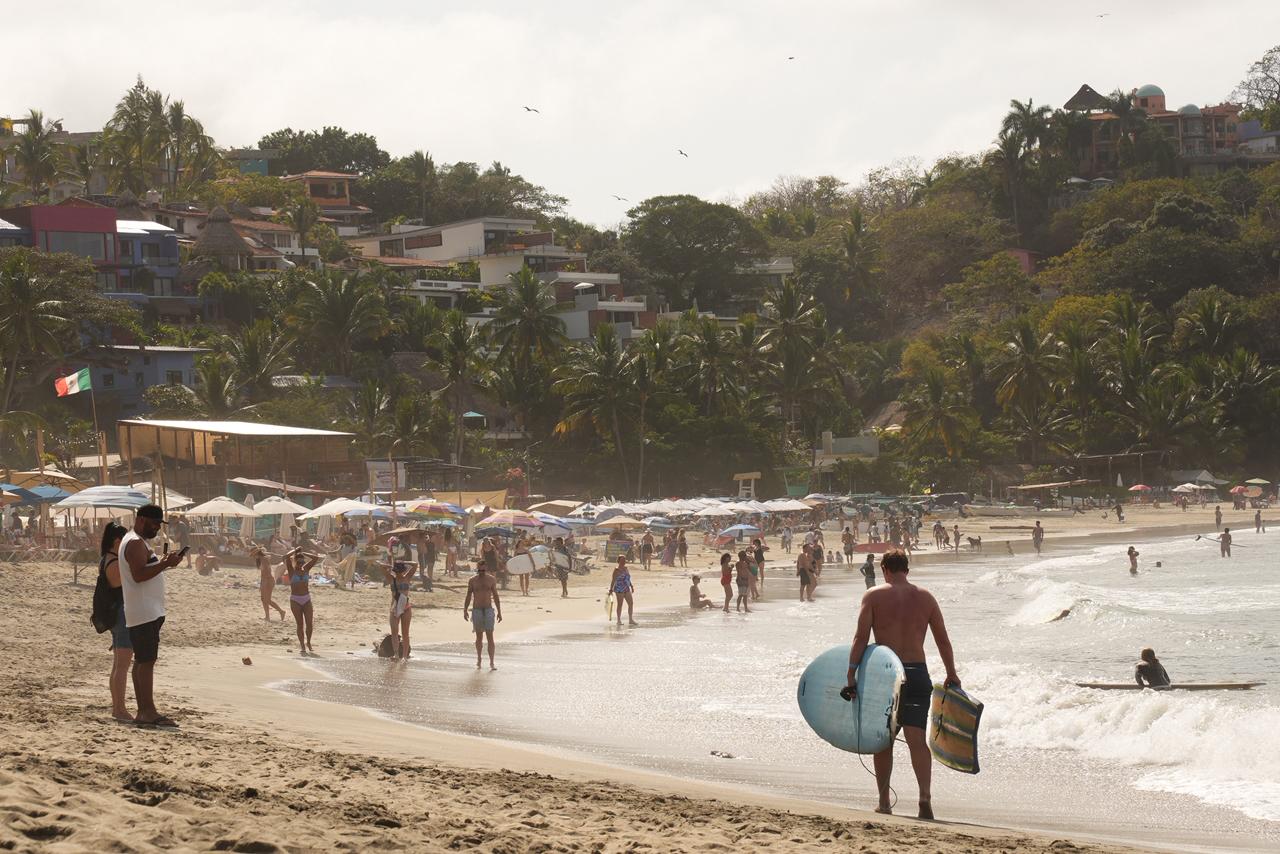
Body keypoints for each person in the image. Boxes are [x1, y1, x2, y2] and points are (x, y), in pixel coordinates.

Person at [843, 550, 960, 820]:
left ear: (884, 569)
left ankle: (884, 801)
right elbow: (943, 640)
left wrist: (851, 674)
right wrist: (952, 673)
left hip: (887, 675)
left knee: (884, 741)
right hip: (918, 674)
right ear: (906, 569)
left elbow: (860, 638)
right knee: (917, 740)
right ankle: (924, 798)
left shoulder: (873, 596)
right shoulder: (926, 597)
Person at [118, 504, 185, 729]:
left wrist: (163, 564)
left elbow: (144, 572)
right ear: (142, 519)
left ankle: (143, 710)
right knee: (146, 662)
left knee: (142, 661)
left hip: (144, 611)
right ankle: (148, 711)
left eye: (159, 524)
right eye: (155, 523)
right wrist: (165, 564)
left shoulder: (136, 541)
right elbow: (138, 575)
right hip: (144, 611)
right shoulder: (135, 543)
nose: (157, 527)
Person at [95, 522, 133, 722]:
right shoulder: (113, 562)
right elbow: (122, 582)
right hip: (121, 614)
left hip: (117, 613)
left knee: (119, 664)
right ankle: (119, 708)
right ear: (117, 541)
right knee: (122, 665)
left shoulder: (107, 559)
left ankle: (117, 707)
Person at [463, 558, 502, 670]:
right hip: (477, 610)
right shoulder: (472, 580)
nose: (481, 573)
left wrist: (499, 611)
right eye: (479, 571)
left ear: (486, 569)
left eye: (483, 571)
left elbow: (495, 596)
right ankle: (479, 659)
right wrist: (465, 610)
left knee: (490, 636)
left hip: (489, 609)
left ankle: (491, 662)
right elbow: (468, 596)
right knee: (479, 636)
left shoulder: (491, 580)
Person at [379, 552, 415, 661]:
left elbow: (415, 564)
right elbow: (381, 566)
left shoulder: (407, 577)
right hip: (394, 607)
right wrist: (391, 565)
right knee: (394, 632)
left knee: (405, 633)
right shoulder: (391, 578)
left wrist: (403, 562)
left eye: (400, 570)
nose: (399, 573)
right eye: (397, 571)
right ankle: (396, 654)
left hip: (406, 607)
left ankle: (404, 656)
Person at [285, 548, 319, 655]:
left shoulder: (306, 569)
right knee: (300, 624)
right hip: (295, 600)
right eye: (298, 562)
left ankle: (308, 642)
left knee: (309, 624)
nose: (300, 564)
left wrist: (303, 552)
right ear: (295, 561)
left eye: (302, 562)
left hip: (306, 599)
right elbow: (286, 557)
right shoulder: (291, 570)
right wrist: (295, 551)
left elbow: (316, 558)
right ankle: (302, 645)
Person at [252, 545, 286, 620]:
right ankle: (267, 616)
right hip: (265, 580)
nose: (253, 557)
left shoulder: (264, 559)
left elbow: (266, 572)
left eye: (254, 555)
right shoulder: (262, 559)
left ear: (257, 554)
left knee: (267, 600)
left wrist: (264, 583)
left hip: (268, 580)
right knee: (263, 599)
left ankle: (281, 611)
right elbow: (263, 573)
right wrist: (262, 583)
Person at [609, 555, 637, 627]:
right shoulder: (616, 570)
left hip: (626, 587)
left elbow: (628, 578)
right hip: (619, 588)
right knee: (620, 604)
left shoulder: (626, 568)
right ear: (619, 561)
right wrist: (611, 589)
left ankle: (630, 619)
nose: (624, 561)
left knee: (630, 603)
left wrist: (631, 586)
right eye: (622, 560)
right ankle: (618, 620)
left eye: (624, 560)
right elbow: (613, 580)